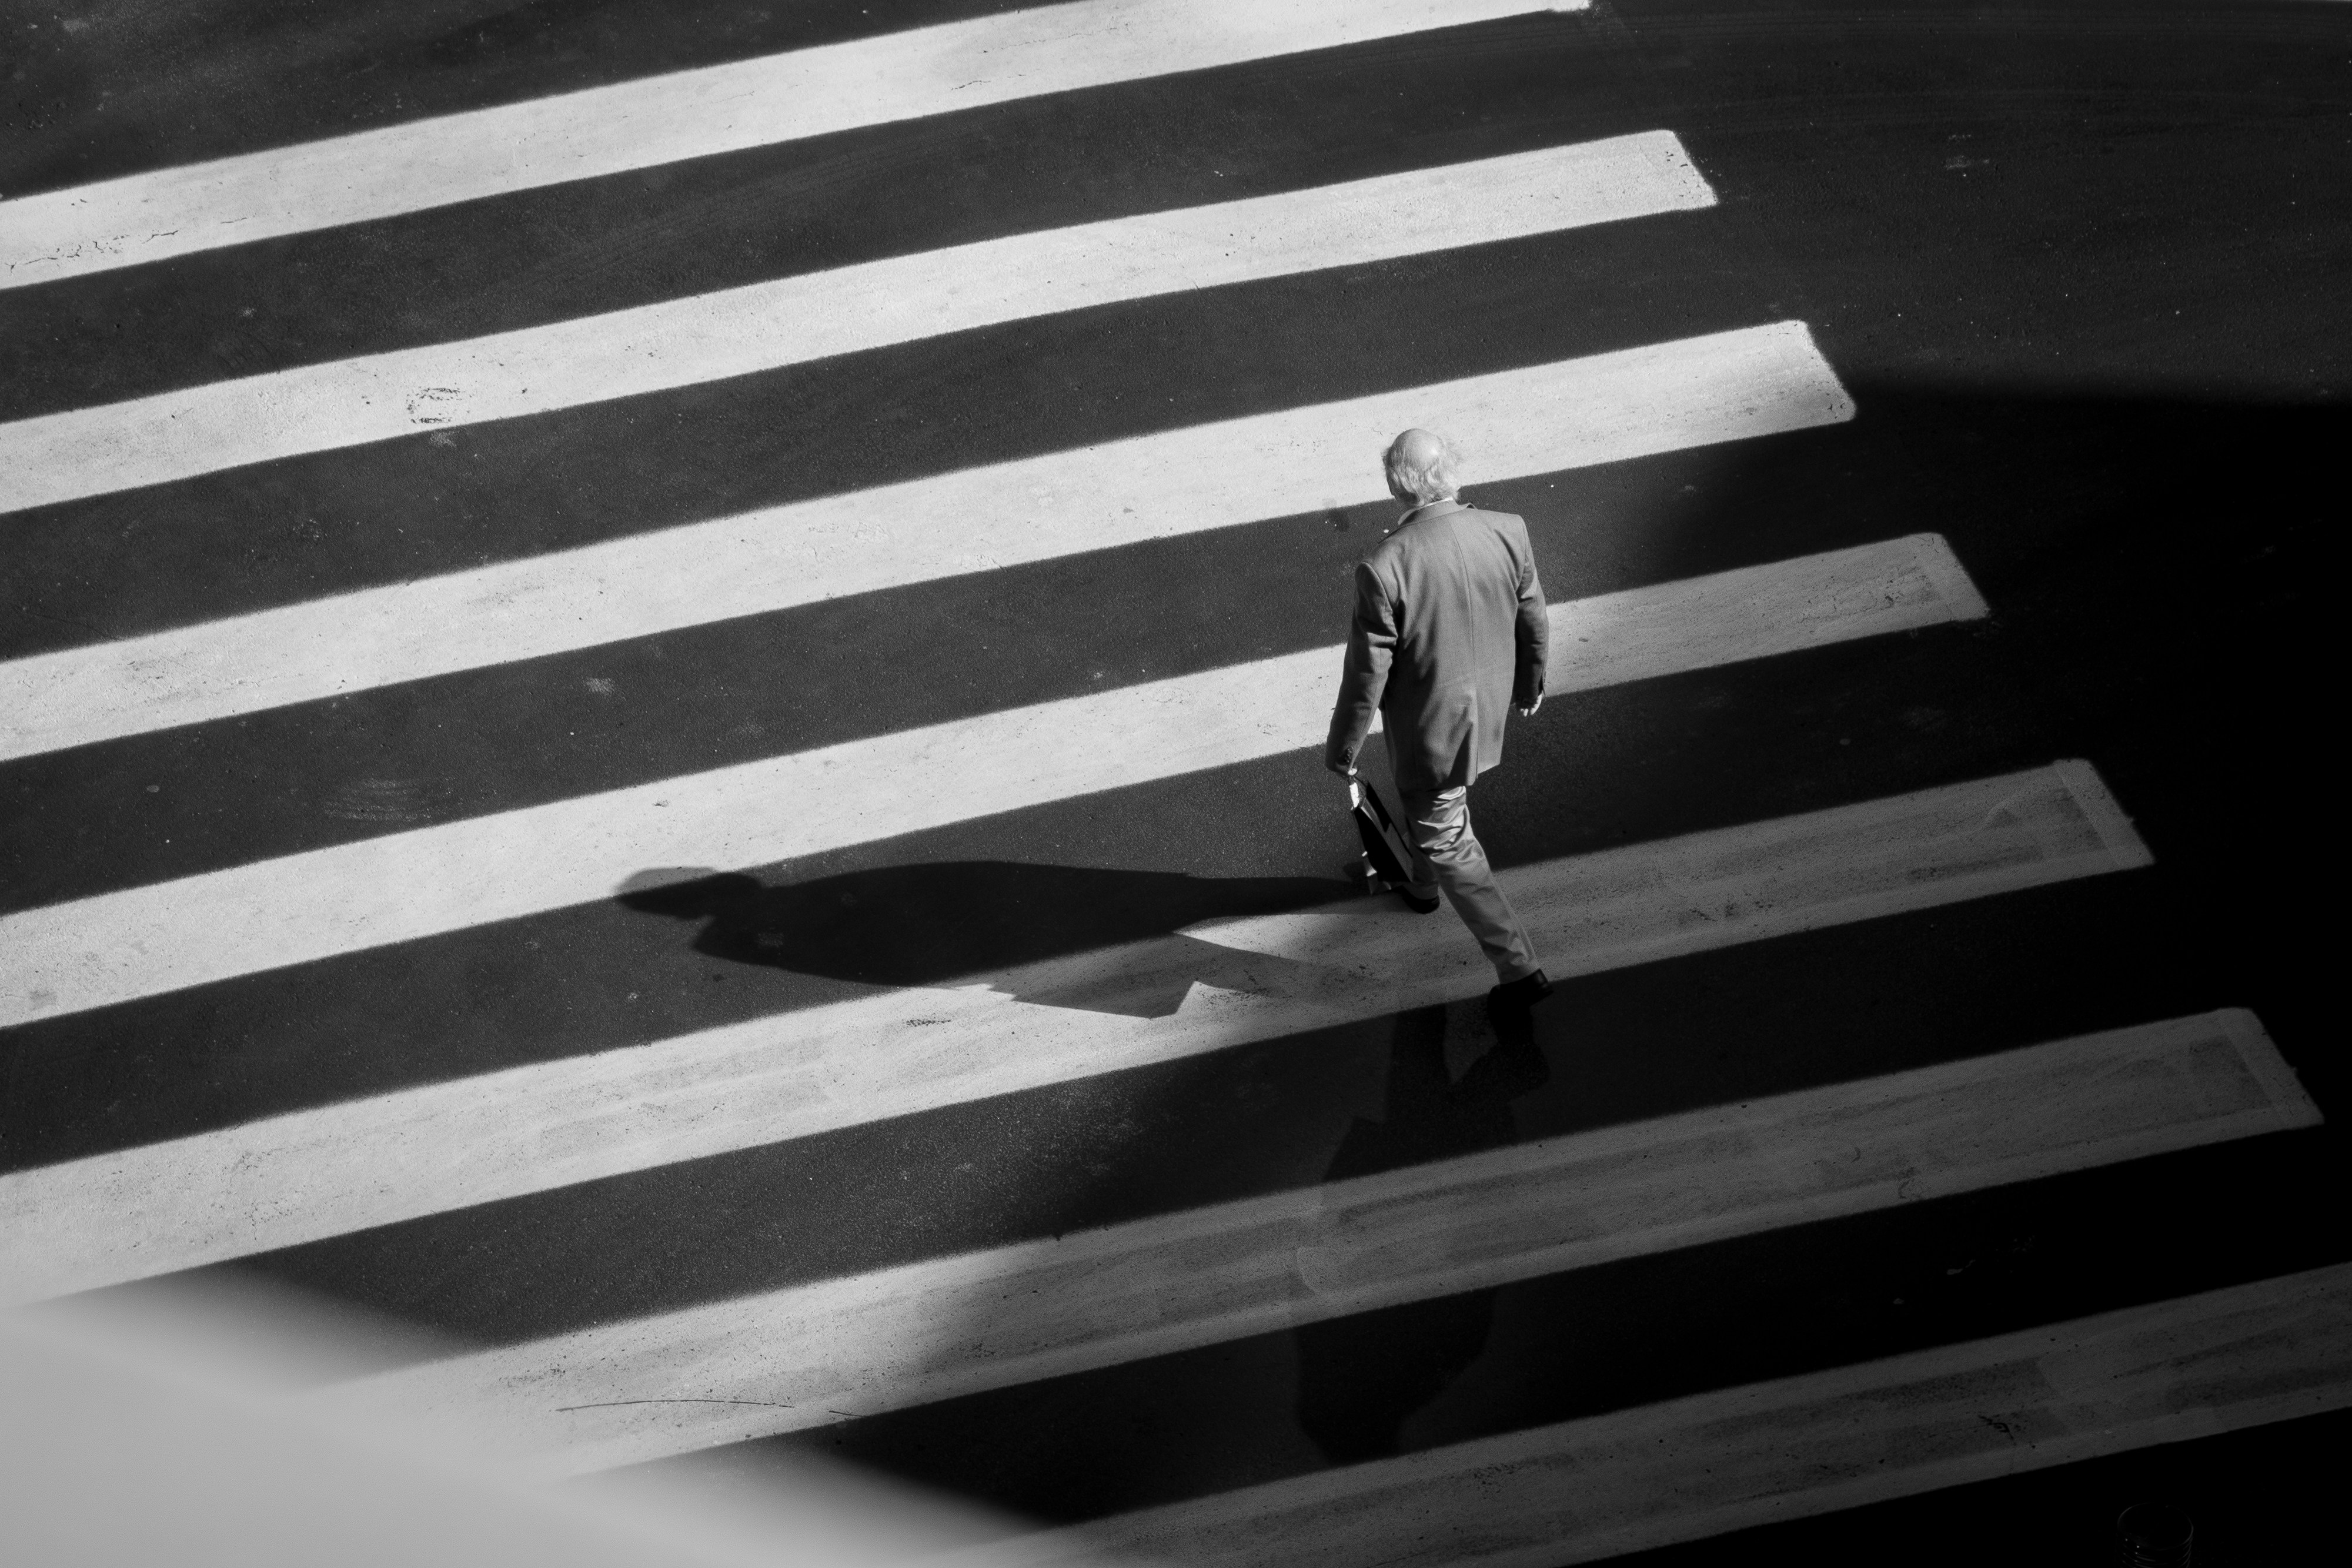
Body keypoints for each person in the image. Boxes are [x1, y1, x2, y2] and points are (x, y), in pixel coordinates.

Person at [1324, 428, 1552, 1020]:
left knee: (1446, 832)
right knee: (1432, 811)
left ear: (1396, 486)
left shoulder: (1384, 566)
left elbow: (1365, 676)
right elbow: (1532, 616)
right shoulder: (1508, 529)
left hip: (1430, 732)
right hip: (1488, 710)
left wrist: (1344, 747)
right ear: (1452, 471)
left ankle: (1518, 966)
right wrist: (1529, 684)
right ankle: (1421, 889)